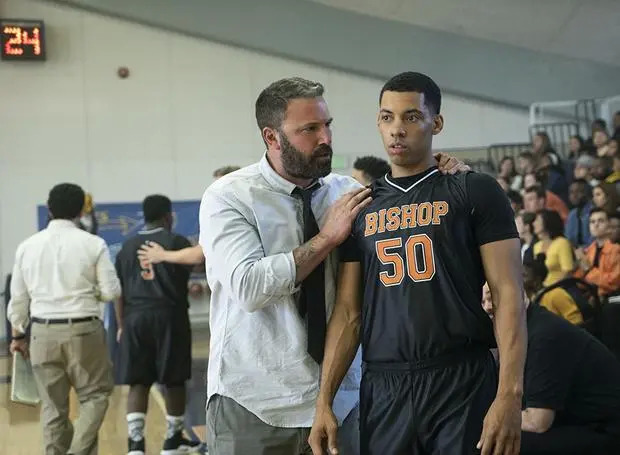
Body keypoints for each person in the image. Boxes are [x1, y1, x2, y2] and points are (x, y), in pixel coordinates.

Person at [198, 76, 469, 455]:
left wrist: (444, 175)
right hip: (254, 402)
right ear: (272, 137)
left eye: (327, 125)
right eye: (309, 129)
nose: (325, 138)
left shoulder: (350, 194)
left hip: (341, 401)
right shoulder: (229, 197)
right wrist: (326, 238)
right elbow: (249, 287)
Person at [309, 72, 526, 455]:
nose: (397, 129)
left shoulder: (473, 189)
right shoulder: (361, 207)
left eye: (411, 117)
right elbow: (348, 312)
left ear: (436, 123)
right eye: (387, 117)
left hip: (461, 377)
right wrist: (323, 401)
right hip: (385, 383)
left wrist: (509, 392)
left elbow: (508, 294)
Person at [7, 183, 121, 455]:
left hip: (42, 333)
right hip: (84, 331)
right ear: (82, 210)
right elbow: (111, 291)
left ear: (49, 209)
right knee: (94, 397)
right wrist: (91, 293)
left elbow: (18, 300)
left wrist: (18, 336)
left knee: (53, 409)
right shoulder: (93, 244)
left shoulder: (27, 247)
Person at [114, 195, 201, 455]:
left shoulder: (127, 247)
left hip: (134, 318)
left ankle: (136, 445)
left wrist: (121, 324)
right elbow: (198, 266)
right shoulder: (176, 242)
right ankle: (173, 441)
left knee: (138, 382)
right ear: (168, 217)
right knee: (174, 380)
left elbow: (118, 291)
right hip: (169, 316)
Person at [137, 166, 241, 266]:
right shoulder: (222, 216)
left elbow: (198, 256)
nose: (213, 193)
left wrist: (161, 255)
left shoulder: (231, 217)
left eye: (219, 187)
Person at [574, 208, 620, 297]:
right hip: (591, 295)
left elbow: (613, 284)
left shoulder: (616, 250)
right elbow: (578, 283)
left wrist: (589, 270)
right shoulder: (588, 251)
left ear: (609, 227)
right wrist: (576, 265)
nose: (596, 224)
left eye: (601, 221)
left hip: (613, 297)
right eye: (592, 222)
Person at [564, 179, 593, 248]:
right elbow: (568, 238)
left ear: (586, 193)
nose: (574, 195)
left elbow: (595, 239)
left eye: (578, 191)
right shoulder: (572, 214)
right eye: (571, 192)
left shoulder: (594, 212)